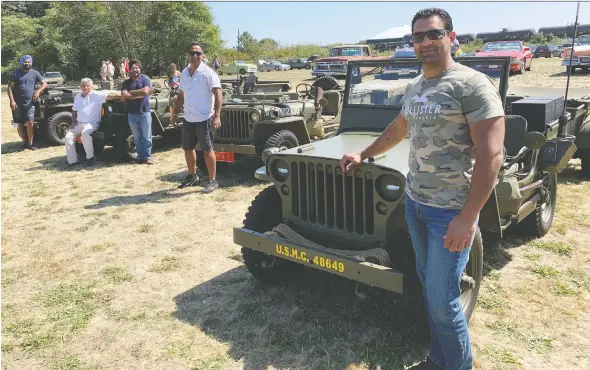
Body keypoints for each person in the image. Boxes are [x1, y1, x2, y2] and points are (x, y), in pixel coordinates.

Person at [340, 7, 505, 370]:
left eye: (434, 34)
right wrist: (364, 153)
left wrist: (469, 216)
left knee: (444, 301)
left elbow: (491, 155)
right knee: (431, 291)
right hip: (415, 203)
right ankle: (436, 359)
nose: (426, 42)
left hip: (450, 211)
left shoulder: (472, 85)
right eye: (418, 36)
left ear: (452, 36)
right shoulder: (416, 86)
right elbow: (398, 129)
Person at [173, 42, 222, 193]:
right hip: (189, 118)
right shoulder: (185, 73)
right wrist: (175, 113)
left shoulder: (208, 73)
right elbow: (181, 95)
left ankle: (212, 180)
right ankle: (192, 175)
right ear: (188, 55)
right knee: (188, 148)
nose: (195, 56)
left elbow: (218, 94)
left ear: (202, 55)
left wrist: (217, 115)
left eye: (198, 53)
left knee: (207, 149)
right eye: (192, 53)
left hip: (204, 118)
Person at [65, 78, 120, 167]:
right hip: (79, 123)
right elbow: (74, 111)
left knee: (85, 135)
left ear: (91, 87)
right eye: (83, 85)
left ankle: (90, 158)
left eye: (87, 86)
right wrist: (73, 122)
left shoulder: (97, 95)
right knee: (68, 137)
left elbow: (112, 96)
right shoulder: (77, 97)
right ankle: (72, 161)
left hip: (92, 124)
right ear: (80, 86)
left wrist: (125, 95)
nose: (85, 87)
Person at [7, 55, 47, 150]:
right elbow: (9, 87)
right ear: (22, 63)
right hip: (17, 103)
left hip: (30, 103)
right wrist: (12, 101)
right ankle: (24, 143)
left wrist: (38, 91)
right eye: (25, 62)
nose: (27, 63)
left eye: (29, 62)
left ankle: (31, 143)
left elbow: (44, 84)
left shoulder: (35, 73)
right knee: (20, 123)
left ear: (31, 63)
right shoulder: (15, 74)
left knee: (30, 122)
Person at [121, 59, 154, 165]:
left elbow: (145, 91)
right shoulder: (126, 82)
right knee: (137, 137)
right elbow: (124, 95)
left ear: (140, 69)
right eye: (132, 68)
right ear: (129, 70)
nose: (134, 70)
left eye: (136, 68)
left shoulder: (145, 79)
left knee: (147, 136)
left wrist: (131, 93)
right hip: (132, 114)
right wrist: (138, 95)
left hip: (144, 112)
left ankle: (148, 157)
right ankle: (140, 157)